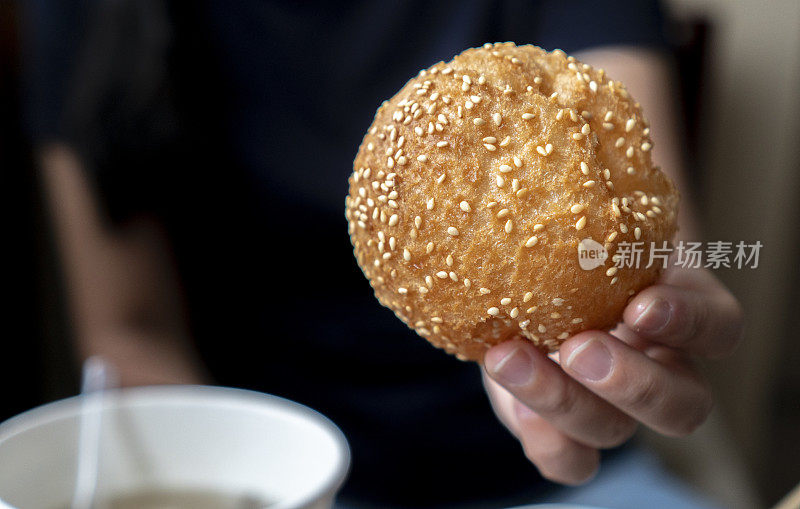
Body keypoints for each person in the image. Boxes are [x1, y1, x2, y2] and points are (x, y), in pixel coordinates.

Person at [23, 0, 742, 507]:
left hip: (556, 471)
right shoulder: (91, 15)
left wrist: (636, 314)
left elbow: (630, 204)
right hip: (269, 474)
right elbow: (127, 326)